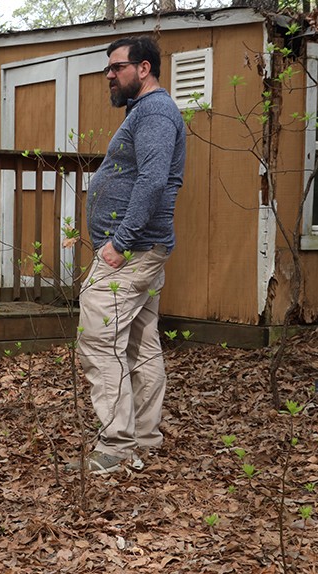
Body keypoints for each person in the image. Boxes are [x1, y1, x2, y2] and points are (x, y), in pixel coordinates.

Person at [74, 36, 186, 474]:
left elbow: (153, 181)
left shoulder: (156, 111)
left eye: (116, 67)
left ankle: (117, 447)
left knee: (99, 342)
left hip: (132, 250)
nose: (109, 75)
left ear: (143, 68)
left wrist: (120, 242)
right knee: (141, 344)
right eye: (108, 68)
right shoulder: (146, 112)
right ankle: (145, 436)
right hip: (142, 250)